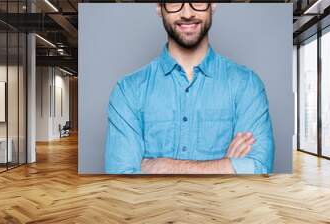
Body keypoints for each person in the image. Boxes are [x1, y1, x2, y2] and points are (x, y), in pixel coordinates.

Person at [105, 2, 274, 174]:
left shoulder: (247, 84)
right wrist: (226, 166)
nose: (187, 13)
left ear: (213, 5)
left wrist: (161, 166)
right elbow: (121, 175)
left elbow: (258, 168)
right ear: (159, 7)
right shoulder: (128, 90)